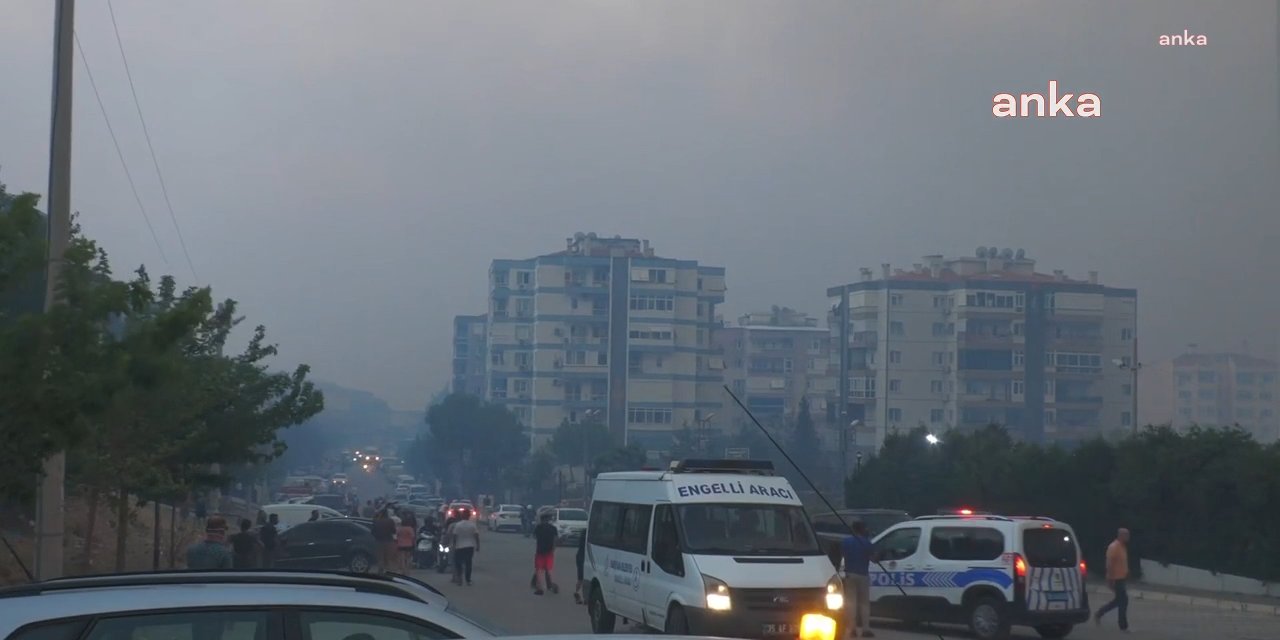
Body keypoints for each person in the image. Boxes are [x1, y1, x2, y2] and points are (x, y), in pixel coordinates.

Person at [841, 520, 875, 638]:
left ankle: (852, 629)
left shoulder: (846, 542)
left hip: (850, 574)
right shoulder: (866, 543)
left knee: (851, 603)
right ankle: (866, 629)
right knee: (864, 603)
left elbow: (843, 555)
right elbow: (874, 559)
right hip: (863, 574)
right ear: (863, 529)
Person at [1095, 527, 1131, 631]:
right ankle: (1123, 626)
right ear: (1121, 535)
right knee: (1123, 601)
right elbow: (1109, 564)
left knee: (1119, 601)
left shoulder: (1122, 547)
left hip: (1121, 578)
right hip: (1116, 578)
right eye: (1126, 535)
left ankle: (1099, 613)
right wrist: (1110, 579)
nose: (1128, 537)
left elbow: (1121, 562)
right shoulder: (1114, 547)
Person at [449, 507, 480, 585]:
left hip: (459, 546)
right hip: (470, 546)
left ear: (462, 516)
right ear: (469, 516)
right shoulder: (472, 525)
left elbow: (455, 536)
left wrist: (454, 545)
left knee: (458, 563)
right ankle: (468, 580)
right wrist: (478, 545)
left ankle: (460, 578)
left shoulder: (458, 525)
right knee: (468, 563)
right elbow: (476, 536)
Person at [531, 511, 559, 595]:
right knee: (548, 569)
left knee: (539, 570)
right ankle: (550, 585)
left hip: (540, 551)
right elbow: (555, 540)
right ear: (548, 519)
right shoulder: (553, 528)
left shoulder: (538, 528)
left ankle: (539, 588)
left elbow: (534, 537)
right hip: (549, 552)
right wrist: (553, 549)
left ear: (541, 519)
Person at [371, 507, 398, 573]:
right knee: (389, 558)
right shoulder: (390, 521)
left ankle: (380, 570)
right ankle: (389, 571)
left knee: (380, 558)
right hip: (389, 541)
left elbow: (373, 532)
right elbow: (394, 531)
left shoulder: (377, 521)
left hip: (379, 541)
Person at [573, 526, 587, 604]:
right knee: (584, 578)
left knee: (580, 578)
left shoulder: (583, 535)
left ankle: (577, 592)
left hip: (580, 556)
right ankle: (583, 597)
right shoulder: (588, 536)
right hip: (584, 557)